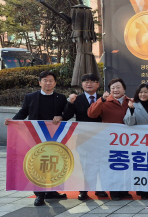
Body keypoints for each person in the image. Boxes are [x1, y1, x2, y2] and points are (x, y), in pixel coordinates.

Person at [5, 71, 68, 206]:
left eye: (51, 80)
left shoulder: (61, 98)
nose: (48, 83)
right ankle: (39, 194)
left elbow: (66, 113)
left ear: (55, 83)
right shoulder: (31, 97)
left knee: (53, 163)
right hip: (35, 137)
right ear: (40, 82)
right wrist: (13, 121)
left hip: (54, 138)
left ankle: (51, 191)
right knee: (38, 164)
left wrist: (62, 117)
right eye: (45, 80)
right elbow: (23, 112)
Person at [62, 73, 108, 201]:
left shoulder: (104, 98)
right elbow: (66, 116)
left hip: (100, 137)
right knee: (84, 164)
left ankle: (99, 188)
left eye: (92, 81)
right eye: (86, 81)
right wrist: (69, 103)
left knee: (100, 163)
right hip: (83, 138)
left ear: (98, 84)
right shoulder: (77, 99)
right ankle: (83, 190)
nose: (89, 84)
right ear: (82, 84)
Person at [88, 78, 131, 201]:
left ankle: (124, 190)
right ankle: (114, 191)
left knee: (126, 165)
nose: (115, 90)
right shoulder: (104, 102)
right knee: (114, 166)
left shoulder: (130, 101)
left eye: (118, 87)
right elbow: (91, 114)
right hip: (110, 141)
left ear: (124, 89)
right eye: (113, 88)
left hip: (128, 141)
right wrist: (101, 100)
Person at [124, 84, 148, 200]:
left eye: (145, 92)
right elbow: (129, 123)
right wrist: (131, 109)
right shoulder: (133, 105)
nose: (143, 94)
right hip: (140, 142)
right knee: (142, 166)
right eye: (140, 92)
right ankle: (142, 190)